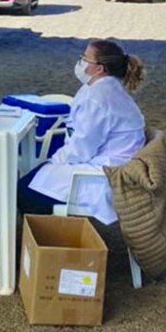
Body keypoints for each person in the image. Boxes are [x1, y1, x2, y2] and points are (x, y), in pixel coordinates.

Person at [19, 39, 147, 224]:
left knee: (25, 191)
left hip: (103, 174)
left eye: (85, 58)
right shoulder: (105, 88)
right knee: (33, 179)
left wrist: (55, 161)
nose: (80, 62)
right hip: (110, 163)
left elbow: (82, 148)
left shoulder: (99, 97)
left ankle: (48, 242)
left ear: (99, 69)